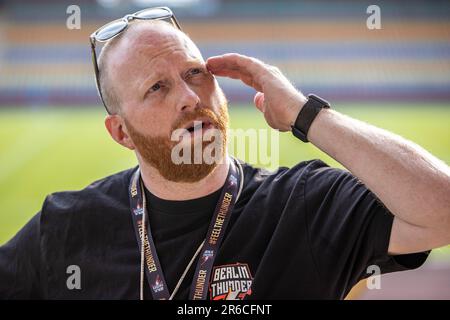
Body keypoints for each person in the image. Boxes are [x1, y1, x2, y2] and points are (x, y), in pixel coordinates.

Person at [1, 8, 449, 300]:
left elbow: (442, 210)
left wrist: (305, 114)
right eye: (157, 87)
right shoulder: (63, 229)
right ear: (122, 133)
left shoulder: (304, 206)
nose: (188, 97)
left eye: (195, 73)